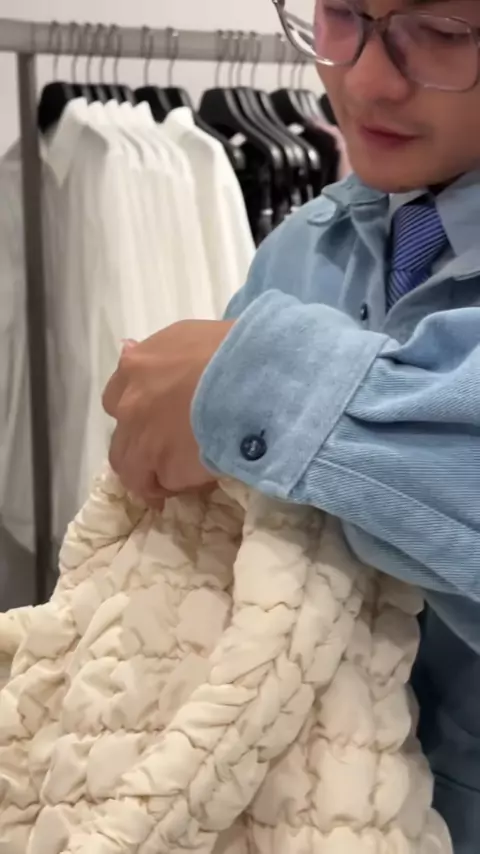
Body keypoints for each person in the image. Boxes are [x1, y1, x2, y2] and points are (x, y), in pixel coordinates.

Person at [102, 1, 480, 851]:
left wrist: (265, 389)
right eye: (342, 13)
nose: (367, 79)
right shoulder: (307, 246)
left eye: (443, 32)